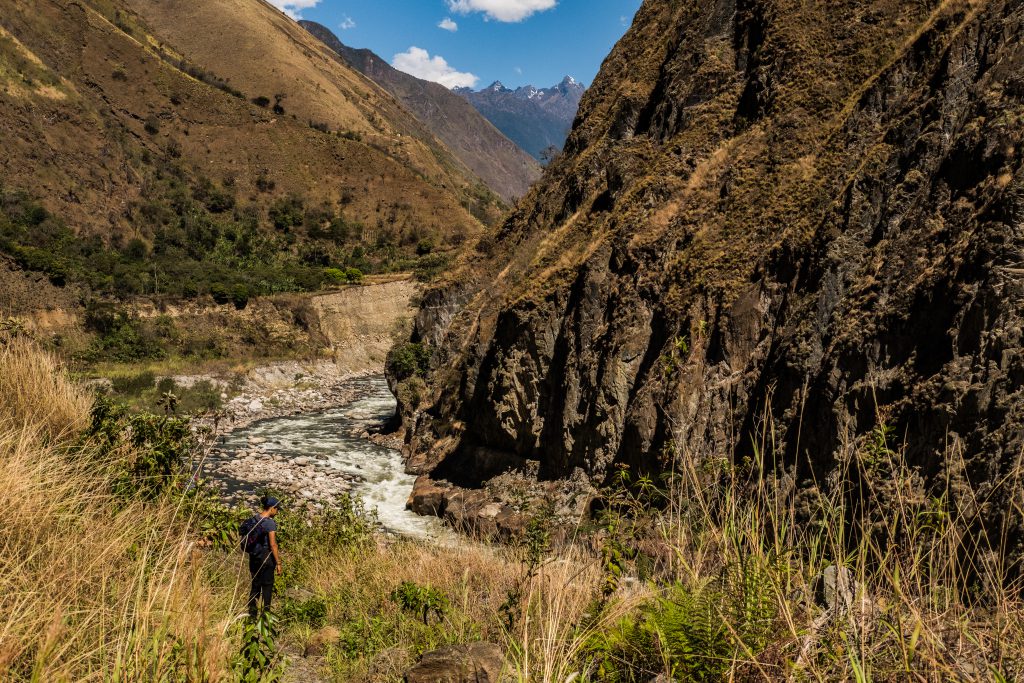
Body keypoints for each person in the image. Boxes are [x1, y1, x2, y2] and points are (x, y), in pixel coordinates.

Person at [244, 495, 282, 619]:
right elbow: (273, 544)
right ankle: (266, 618)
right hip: (266, 559)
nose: (277, 511)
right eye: (277, 509)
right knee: (267, 588)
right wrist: (279, 563)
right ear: (271, 508)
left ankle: (252, 616)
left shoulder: (254, 518)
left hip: (254, 557)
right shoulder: (270, 523)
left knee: (255, 586)